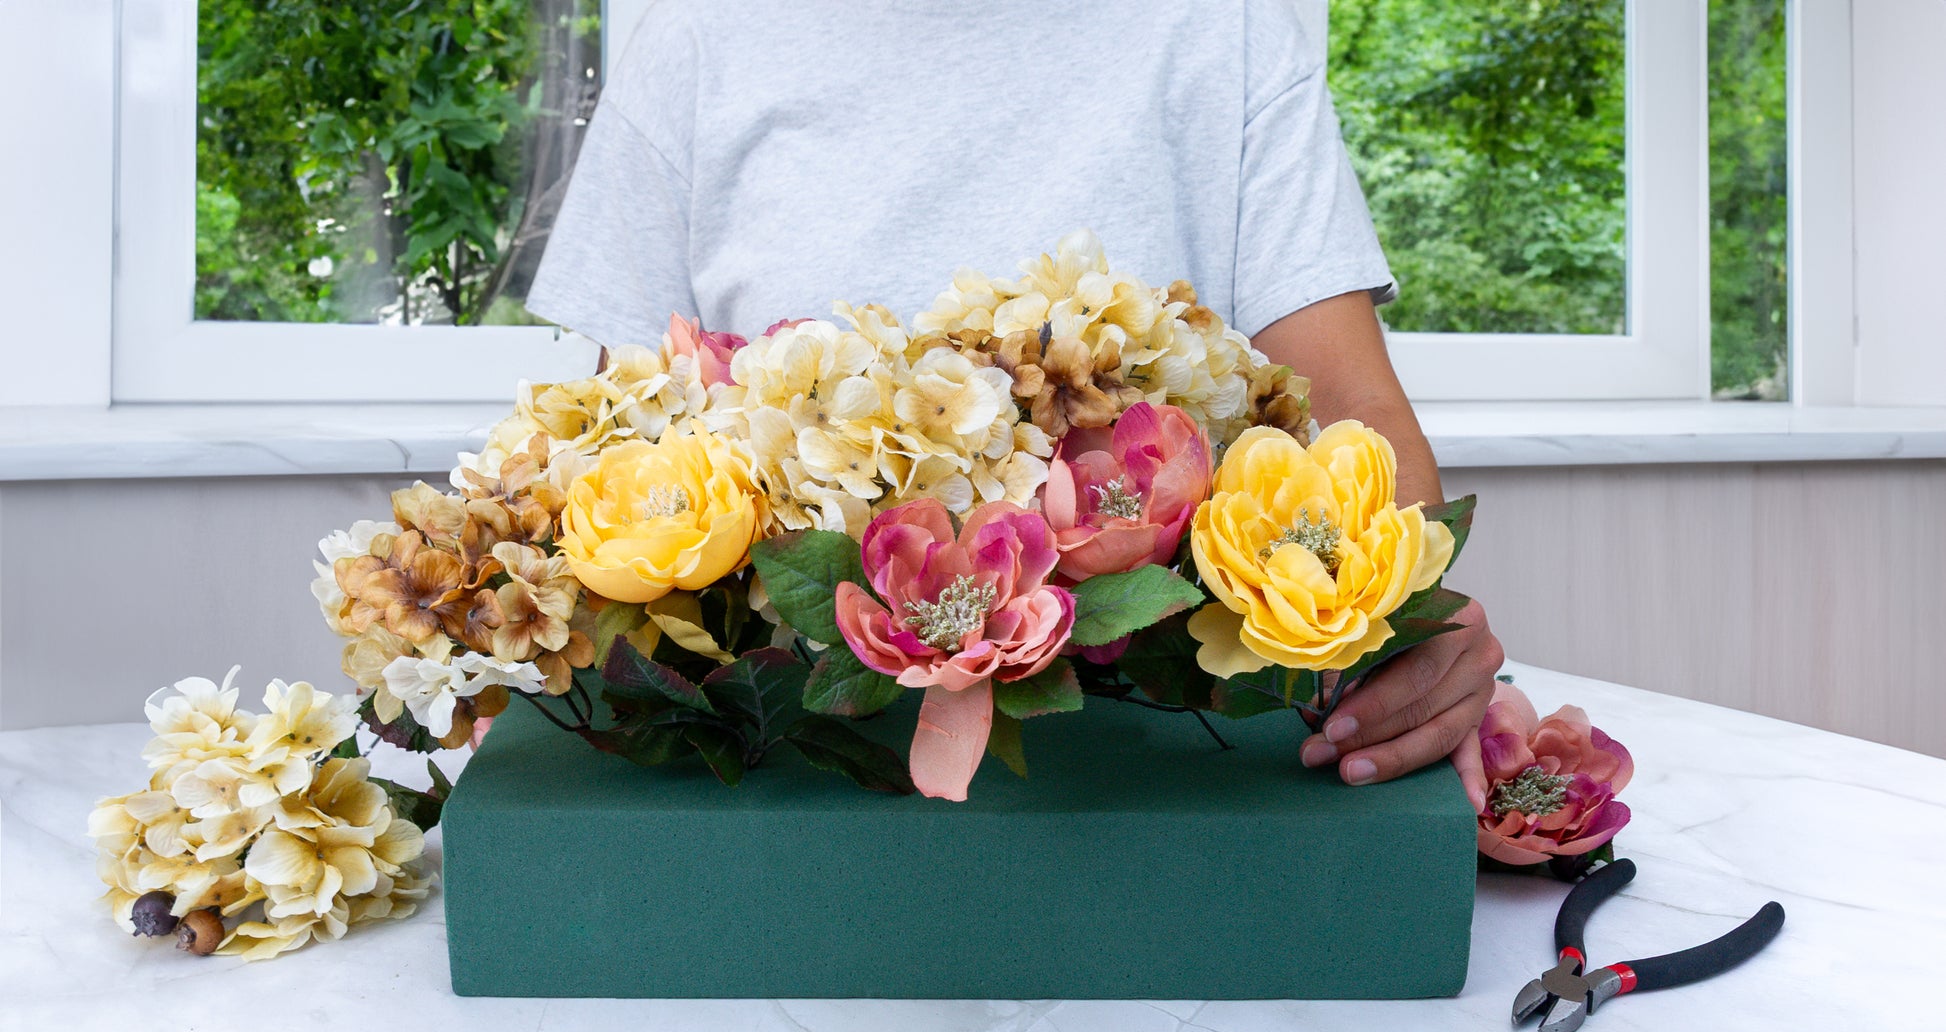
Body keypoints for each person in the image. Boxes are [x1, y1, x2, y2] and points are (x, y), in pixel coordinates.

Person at [525, 0, 1504, 807]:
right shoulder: (696, 37)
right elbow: (627, 454)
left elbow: (1345, 411)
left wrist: (1409, 616)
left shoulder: (1227, 29)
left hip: (1161, 792)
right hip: (788, 792)